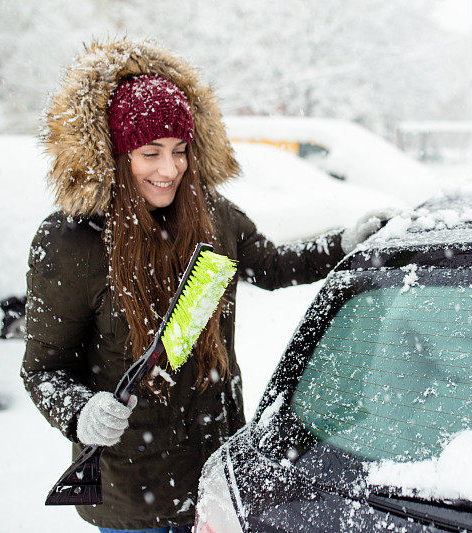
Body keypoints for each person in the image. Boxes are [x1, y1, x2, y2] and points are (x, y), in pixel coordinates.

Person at [21, 38, 386, 532]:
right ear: (115, 153)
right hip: (134, 497)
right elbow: (43, 369)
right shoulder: (74, 241)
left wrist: (344, 243)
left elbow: (272, 265)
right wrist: (81, 411)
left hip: (218, 477)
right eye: (150, 153)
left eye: (178, 151)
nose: (169, 169)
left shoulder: (212, 217)